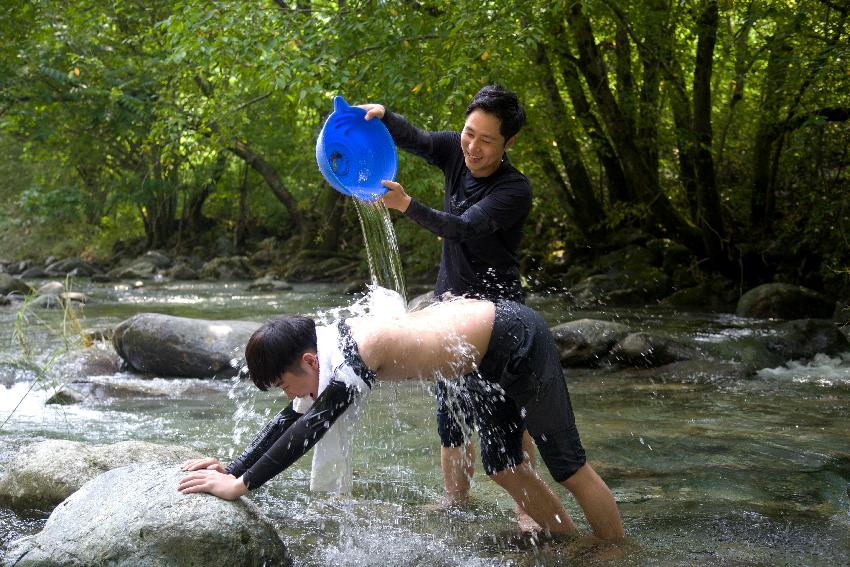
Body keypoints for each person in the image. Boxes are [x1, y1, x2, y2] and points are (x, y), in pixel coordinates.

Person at [178, 298, 625, 542]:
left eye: (284, 384)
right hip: (480, 361)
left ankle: (616, 551)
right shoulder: (329, 354)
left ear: (309, 362)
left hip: (518, 339)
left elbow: (309, 430)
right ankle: (570, 542)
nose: (288, 394)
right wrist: (234, 466)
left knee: (567, 464)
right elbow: (292, 418)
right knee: (505, 467)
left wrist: (240, 486)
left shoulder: (358, 352)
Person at [358, 85, 537, 514]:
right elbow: (417, 139)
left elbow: (463, 227)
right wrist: (384, 115)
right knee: (451, 414)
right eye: (468, 133)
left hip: (497, 317)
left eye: (486, 139)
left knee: (507, 418)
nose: (472, 147)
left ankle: (527, 509)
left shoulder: (514, 190)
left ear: (508, 142)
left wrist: (407, 205)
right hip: (448, 309)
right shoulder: (456, 152)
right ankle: (456, 500)